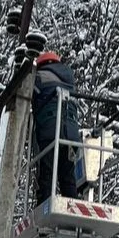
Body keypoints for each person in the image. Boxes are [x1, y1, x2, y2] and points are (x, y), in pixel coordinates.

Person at [32, 51, 81, 202]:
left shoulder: (39, 77)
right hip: (71, 134)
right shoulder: (69, 78)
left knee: (46, 174)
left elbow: (27, 98)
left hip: (50, 131)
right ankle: (72, 206)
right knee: (67, 175)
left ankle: (43, 204)